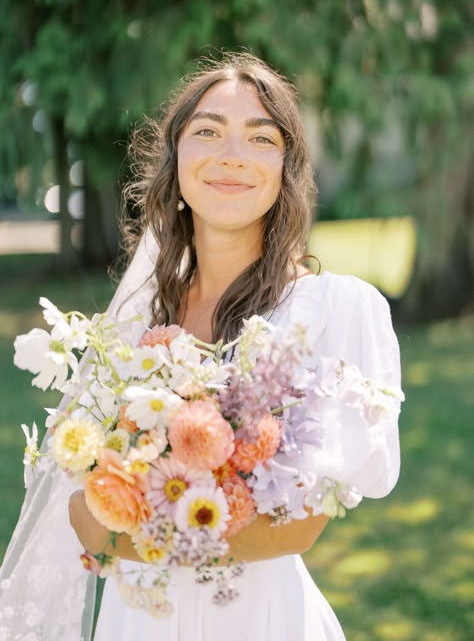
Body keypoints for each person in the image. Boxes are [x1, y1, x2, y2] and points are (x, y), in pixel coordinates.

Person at [0, 53, 402, 640]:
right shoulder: (136, 324)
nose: (231, 154)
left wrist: (126, 537)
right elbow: (80, 490)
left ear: (286, 169)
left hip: (258, 620)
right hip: (137, 621)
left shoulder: (333, 311)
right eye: (208, 131)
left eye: (260, 138)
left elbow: (298, 524)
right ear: (177, 163)